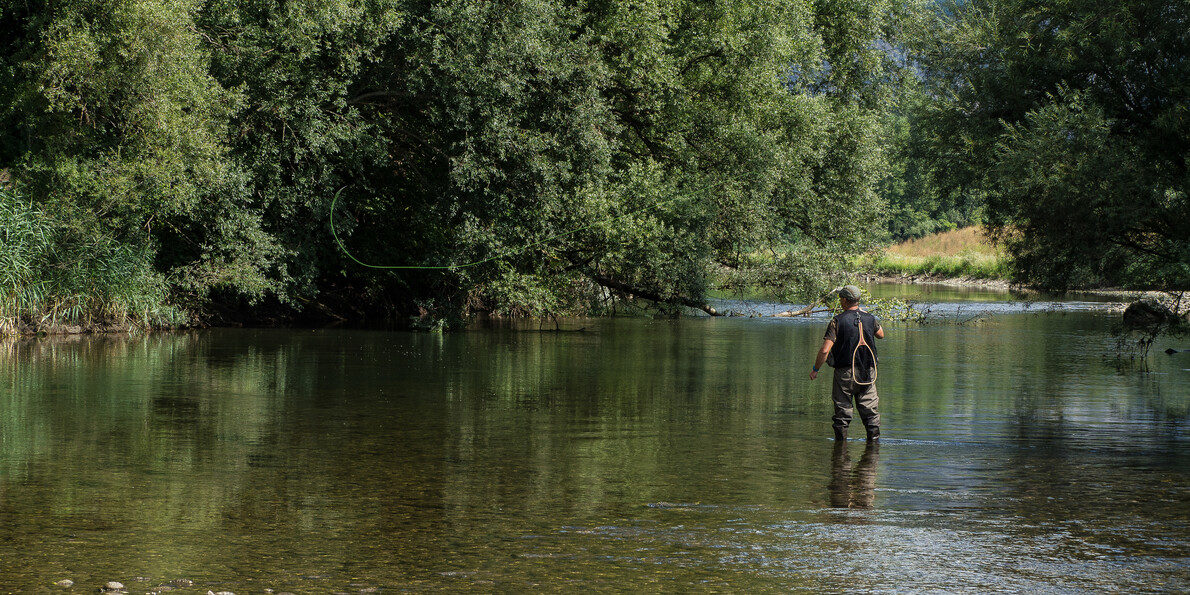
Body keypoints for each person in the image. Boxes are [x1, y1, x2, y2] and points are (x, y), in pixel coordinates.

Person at [810, 285, 885, 441]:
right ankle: (873, 451)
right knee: (870, 413)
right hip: (867, 373)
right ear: (857, 300)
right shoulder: (870, 318)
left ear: (844, 300)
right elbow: (881, 335)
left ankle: (840, 454)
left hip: (844, 374)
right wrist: (866, 316)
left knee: (842, 413)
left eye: (840, 298)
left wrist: (815, 369)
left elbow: (825, 350)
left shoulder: (837, 321)